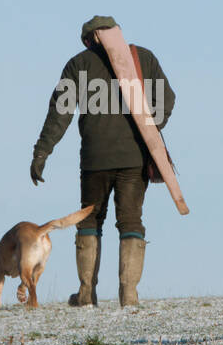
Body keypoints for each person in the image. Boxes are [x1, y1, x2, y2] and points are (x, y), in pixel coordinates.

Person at [30, 16, 175, 308]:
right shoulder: (143, 58)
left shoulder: (78, 64)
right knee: (131, 221)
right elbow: (167, 100)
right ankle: (129, 296)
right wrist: (148, 128)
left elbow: (59, 113)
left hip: (94, 160)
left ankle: (86, 295)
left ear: (89, 39)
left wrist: (42, 152)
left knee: (90, 221)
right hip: (135, 158)